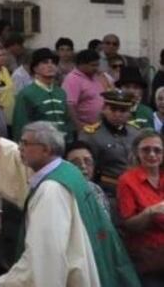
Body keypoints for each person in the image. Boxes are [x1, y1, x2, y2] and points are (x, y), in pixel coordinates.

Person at [0, 118, 139, 287]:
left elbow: (45, 256)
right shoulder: (67, 170)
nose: (20, 148)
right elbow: (20, 162)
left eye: (24, 143)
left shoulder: (51, 191)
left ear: (46, 149)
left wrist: (5, 283)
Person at [115, 130, 164, 283]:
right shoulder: (127, 181)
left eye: (157, 150)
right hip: (150, 259)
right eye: (146, 150)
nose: (152, 154)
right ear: (137, 152)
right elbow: (128, 225)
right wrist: (150, 212)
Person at [79, 88, 139, 194]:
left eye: (123, 110)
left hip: (135, 189)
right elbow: (87, 169)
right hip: (108, 191)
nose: (117, 114)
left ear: (129, 113)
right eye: (113, 109)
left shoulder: (136, 133)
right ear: (104, 109)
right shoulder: (91, 135)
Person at [11, 47, 68, 140]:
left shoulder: (61, 93)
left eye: (53, 62)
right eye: (45, 62)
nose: (50, 65)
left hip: (62, 144)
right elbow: (20, 125)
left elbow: (67, 121)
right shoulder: (26, 94)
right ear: (35, 68)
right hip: (38, 145)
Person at [62, 49, 112, 134]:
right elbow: (69, 105)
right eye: (93, 65)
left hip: (99, 128)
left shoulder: (95, 77)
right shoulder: (73, 79)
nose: (96, 68)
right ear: (81, 64)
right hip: (84, 128)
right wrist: (78, 126)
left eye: (97, 65)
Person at [64, 141, 112, 216]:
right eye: (76, 163)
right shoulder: (61, 192)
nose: (83, 166)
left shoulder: (96, 189)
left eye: (87, 161)